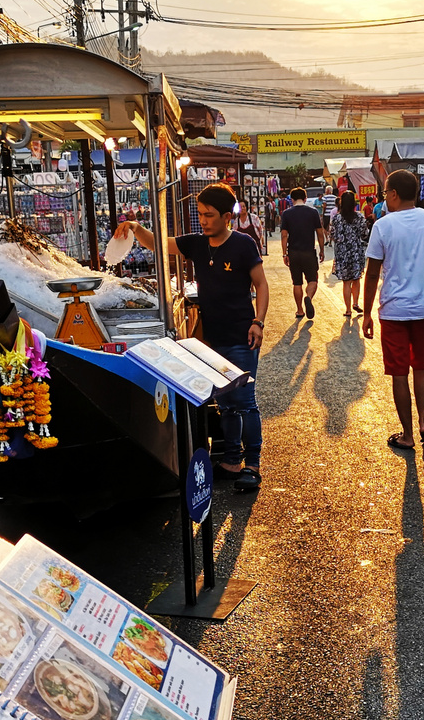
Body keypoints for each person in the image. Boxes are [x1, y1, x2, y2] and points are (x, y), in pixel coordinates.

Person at [115, 183, 269, 491]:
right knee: (225, 404)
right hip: (211, 338)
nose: (203, 220)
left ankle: (252, 465)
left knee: (244, 402)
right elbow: (159, 244)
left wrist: (258, 322)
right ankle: (230, 460)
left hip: (241, 335)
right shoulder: (198, 244)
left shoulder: (243, 244)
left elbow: (262, 286)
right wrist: (134, 226)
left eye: (209, 215)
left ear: (227, 216)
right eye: (200, 214)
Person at [362, 169, 424, 451]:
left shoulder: (383, 226)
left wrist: (365, 313)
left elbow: (373, 274)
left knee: (399, 373)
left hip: (394, 311)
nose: (384, 197)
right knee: (422, 367)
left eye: (385, 192)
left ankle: (408, 434)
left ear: (394, 194)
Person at [279, 187, 324, 321]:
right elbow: (320, 233)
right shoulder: (313, 212)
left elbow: (284, 235)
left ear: (292, 200)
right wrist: (321, 249)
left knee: (297, 283)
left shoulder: (286, 214)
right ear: (305, 199)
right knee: (312, 280)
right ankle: (308, 297)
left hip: (294, 252)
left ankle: (299, 310)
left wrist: (284, 253)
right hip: (309, 252)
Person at [330, 190, 369, 319]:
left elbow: (333, 235)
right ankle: (356, 303)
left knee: (346, 282)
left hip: (342, 252)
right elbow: (365, 234)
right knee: (356, 279)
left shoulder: (337, 218)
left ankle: (347, 309)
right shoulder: (359, 217)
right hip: (356, 251)